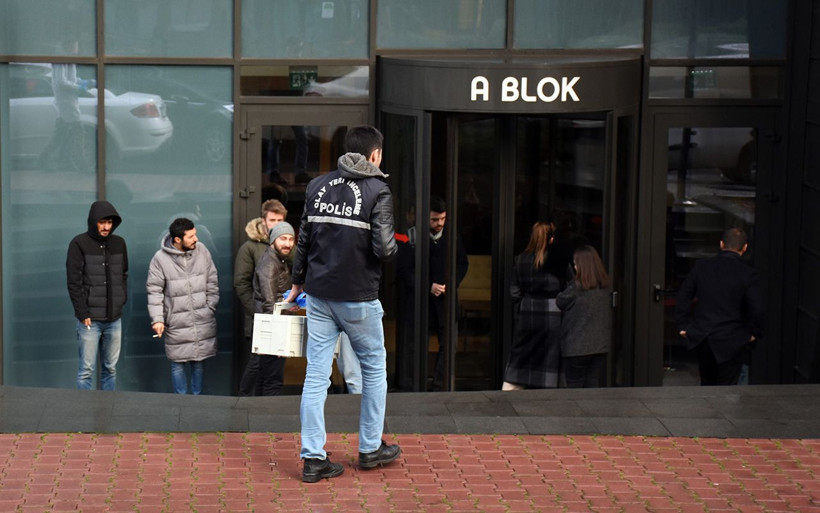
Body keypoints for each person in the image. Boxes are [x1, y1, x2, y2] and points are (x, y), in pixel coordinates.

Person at [289, 125, 400, 482]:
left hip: (319, 295)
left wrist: (296, 281)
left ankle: (313, 458)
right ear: (375, 154)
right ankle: (370, 448)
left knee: (316, 375)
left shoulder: (316, 185)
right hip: (358, 297)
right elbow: (384, 249)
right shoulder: (378, 190)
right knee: (373, 368)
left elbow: (304, 239)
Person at [675, 227, 765, 386]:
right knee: (728, 387)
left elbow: (684, 295)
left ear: (721, 244)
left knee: (707, 384)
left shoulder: (702, 267)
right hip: (732, 337)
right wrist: (754, 332)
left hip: (704, 335)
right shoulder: (748, 274)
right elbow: (757, 308)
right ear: (744, 248)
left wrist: (683, 325)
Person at [396, 196, 468, 391]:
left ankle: (439, 387)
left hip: (445, 302)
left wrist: (450, 283)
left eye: (443, 218)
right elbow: (403, 271)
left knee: (448, 346)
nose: (440, 223)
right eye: (435, 219)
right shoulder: (412, 237)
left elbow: (462, 263)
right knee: (417, 346)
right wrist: (428, 285)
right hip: (421, 303)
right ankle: (414, 386)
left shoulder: (451, 236)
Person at [147, 218, 219, 395]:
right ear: (177, 239)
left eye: (195, 234)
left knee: (199, 361)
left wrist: (210, 306)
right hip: (176, 320)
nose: (196, 239)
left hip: (202, 317)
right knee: (177, 363)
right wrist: (158, 319)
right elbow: (154, 291)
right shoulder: (160, 259)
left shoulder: (202, 251)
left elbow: (212, 279)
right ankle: (181, 401)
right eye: (191, 236)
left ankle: (197, 399)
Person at [66, 200, 128, 391]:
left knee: (110, 369)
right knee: (86, 370)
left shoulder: (119, 243)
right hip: (89, 320)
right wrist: (82, 312)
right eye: (102, 222)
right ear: (93, 222)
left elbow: (123, 274)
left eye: (109, 222)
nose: (106, 227)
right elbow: (74, 281)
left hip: (114, 319)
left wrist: (121, 300)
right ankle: (84, 408)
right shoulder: (79, 244)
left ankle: (108, 406)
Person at [235, 199, 288, 396]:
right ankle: (244, 400)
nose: (276, 224)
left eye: (280, 220)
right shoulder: (250, 247)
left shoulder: (286, 245)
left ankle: (263, 405)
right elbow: (241, 284)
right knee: (257, 362)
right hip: (259, 316)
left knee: (274, 366)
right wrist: (257, 313)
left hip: (280, 317)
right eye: (272, 220)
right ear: (263, 220)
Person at [502, 221, 562, 390]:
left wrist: (525, 304)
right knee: (550, 359)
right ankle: (547, 395)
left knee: (521, 356)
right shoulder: (559, 259)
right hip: (554, 314)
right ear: (551, 239)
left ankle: (508, 391)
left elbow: (514, 292)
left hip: (528, 313)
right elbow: (570, 287)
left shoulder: (521, 259)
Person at [556, 246, 612, 388]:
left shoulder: (576, 287)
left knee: (575, 385)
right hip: (599, 346)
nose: (575, 267)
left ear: (582, 266)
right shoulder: (605, 286)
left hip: (577, 346)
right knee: (592, 382)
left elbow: (560, 301)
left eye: (576, 263)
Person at [251, 221, 295, 396]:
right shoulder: (270, 263)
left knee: (264, 376)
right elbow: (269, 303)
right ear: (273, 240)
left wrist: (289, 304)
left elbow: (275, 297)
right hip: (271, 329)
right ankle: (269, 412)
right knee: (272, 381)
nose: (288, 243)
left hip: (270, 327)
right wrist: (278, 340)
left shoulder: (278, 259)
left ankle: (257, 410)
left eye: (291, 239)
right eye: (283, 238)